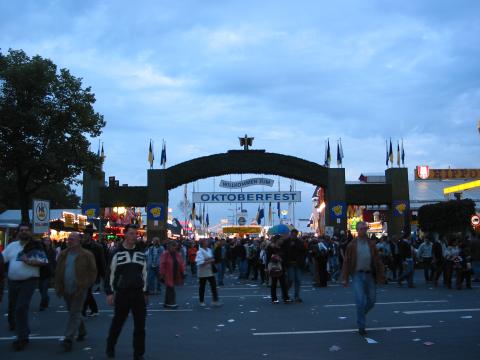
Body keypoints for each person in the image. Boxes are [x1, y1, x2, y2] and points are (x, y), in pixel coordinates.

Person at [3, 223, 49, 351]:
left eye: (26, 230)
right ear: (18, 232)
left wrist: (28, 260)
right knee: (15, 308)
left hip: (29, 281)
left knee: (21, 307)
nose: (23, 232)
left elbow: (44, 262)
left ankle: (21, 337)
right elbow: (3, 259)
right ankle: (24, 331)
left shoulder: (36, 246)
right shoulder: (12, 246)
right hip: (12, 282)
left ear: (30, 232)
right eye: (21, 230)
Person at [105, 224, 148, 360]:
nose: (134, 236)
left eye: (135, 234)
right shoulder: (116, 253)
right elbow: (110, 274)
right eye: (131, 233)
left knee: (140, 326)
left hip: (138, 294)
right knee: (117, 323)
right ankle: (110, 348)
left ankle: (139, 354)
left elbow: (145, 273)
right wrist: (110, 293)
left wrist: (146, 292)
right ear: (125, 234)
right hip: (122, 293)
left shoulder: (140, 253)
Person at [55, 232, 97, 351]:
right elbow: (58, 270)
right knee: (74, 312)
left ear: (79, 240)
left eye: (73, 239)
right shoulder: (63, 254)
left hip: (80, 288)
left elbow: (93, 271)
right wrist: (57, 284)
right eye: (69, 239)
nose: (70, 241)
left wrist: (87, 283)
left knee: (75, 311)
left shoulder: (87, 255)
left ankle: (68, 338)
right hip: (66, 287)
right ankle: (82, 330)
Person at [341, 221, 385, 336]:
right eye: (361, 229)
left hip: (369, 274)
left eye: (365, 229)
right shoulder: (351, 245)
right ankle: (361, 325)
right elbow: (346, 262)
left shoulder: (371, 244)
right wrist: (344, 278)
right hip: (357, 275)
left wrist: (381, 275)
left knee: (372, 300)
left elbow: (377, 260)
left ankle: (361, 314)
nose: (363, 231)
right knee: (360, 301)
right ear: (357, 230)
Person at [82, 226, 106, 317]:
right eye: (84, 234)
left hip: (93, 271)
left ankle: (83, 310)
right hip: (83, 271)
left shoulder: (97, 246)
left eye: (87, 234)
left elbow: (102, 261)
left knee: (87, 291)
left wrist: (103, 275)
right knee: (87, 292)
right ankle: (94, 309)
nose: (85, 236)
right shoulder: (82, 245)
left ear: (90, 236)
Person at [196, 238, 222, 307]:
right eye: (206, 242)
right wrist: (209, 260)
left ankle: (215, 300)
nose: (207, 243)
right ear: (202, 244)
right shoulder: (199, 252)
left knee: (213, 286)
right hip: (203, 272)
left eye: (207, 242)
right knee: (202, 286)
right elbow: (199, 262)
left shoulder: (209, 250)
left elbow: (211, 258)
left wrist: (209, 260)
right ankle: (201, 301)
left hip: (210, 271)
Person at [159, 241, 185, 308]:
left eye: (175, 246)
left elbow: (181, 263)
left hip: (175, 273)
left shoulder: (177, 254)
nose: (174, 247)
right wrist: (162, 274)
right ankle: (171, 303)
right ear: (169, 246)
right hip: (168, 273)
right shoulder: (165, 254)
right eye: (173, 246)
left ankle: (167, 303)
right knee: (171, 288)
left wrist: (183, 271)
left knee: (169, 288)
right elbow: (162, 264)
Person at [283, 229, 306, 302]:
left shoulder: (300, 242)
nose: (293, 236)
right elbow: (285, 252)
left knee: (298, 280)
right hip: (290, 263)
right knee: (291, 279)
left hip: (298, 263)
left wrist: (295, 245)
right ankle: (285, 294)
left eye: (295, 234)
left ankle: (297, 296)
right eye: (292, 234)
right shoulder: (286, 242)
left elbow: (303, 251)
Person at [267, 235, 291, 304]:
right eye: (280, 240)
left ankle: (285, 297)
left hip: (281, 266)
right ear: (277, 240)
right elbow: (268, 257)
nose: (282, 241)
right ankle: (274, 298)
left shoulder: (283, 246)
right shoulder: (271, 247)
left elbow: (286, 255)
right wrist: (276, 257)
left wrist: (282, 259)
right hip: (274, 266)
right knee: (274, 283)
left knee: (283, 283)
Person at [39, 236, 56, 311]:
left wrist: (54, 271)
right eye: (46, 240)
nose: (47, 242)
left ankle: (43, 304)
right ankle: (46, 300)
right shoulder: (41, 250)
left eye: (48, 241)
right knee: (41, 289)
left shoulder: (52, 251)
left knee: (44, 289)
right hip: (40, 271)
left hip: (48, 272)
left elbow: (53, 261)